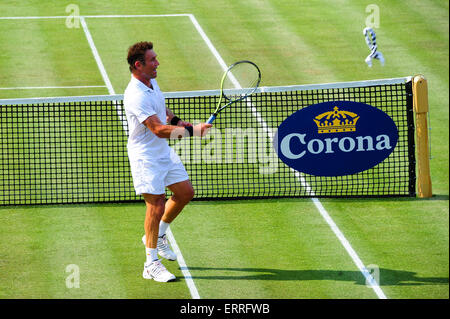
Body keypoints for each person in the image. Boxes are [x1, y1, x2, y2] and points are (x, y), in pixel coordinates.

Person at [124, 41, 212, 282]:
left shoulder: (151, 83)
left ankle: (159, 234)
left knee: (185, 193)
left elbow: (164, 112)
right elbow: (157, 129)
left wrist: (180, 122)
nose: (157, 63)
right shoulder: (134, 95)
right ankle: (150, 263)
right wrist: (193, 131)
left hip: (162, 152)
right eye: (152, 60)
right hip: (145, 156)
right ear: (138, 65)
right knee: (156, 204)